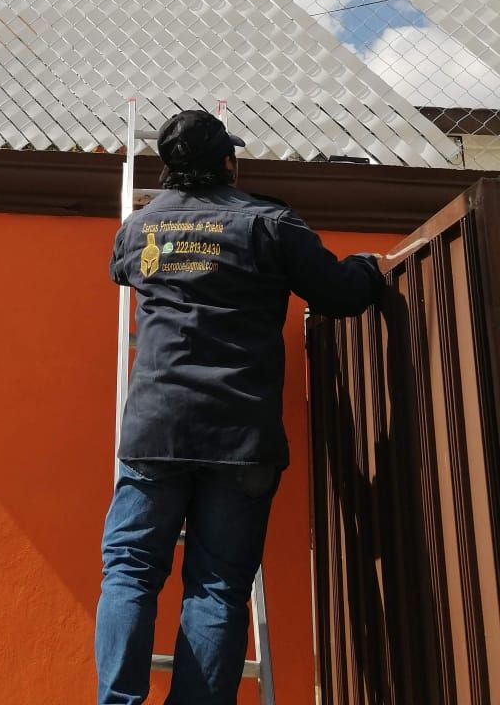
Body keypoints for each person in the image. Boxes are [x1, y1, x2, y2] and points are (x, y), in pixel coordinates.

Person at [95, 109, 385, 705]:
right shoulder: (268, 224)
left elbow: (121, 270)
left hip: (156, 430)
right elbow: (340, 294)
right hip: (239, 435)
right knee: (217, 586)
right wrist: (367, 267)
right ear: (228, 162)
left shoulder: (142, 226)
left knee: (129, 570)